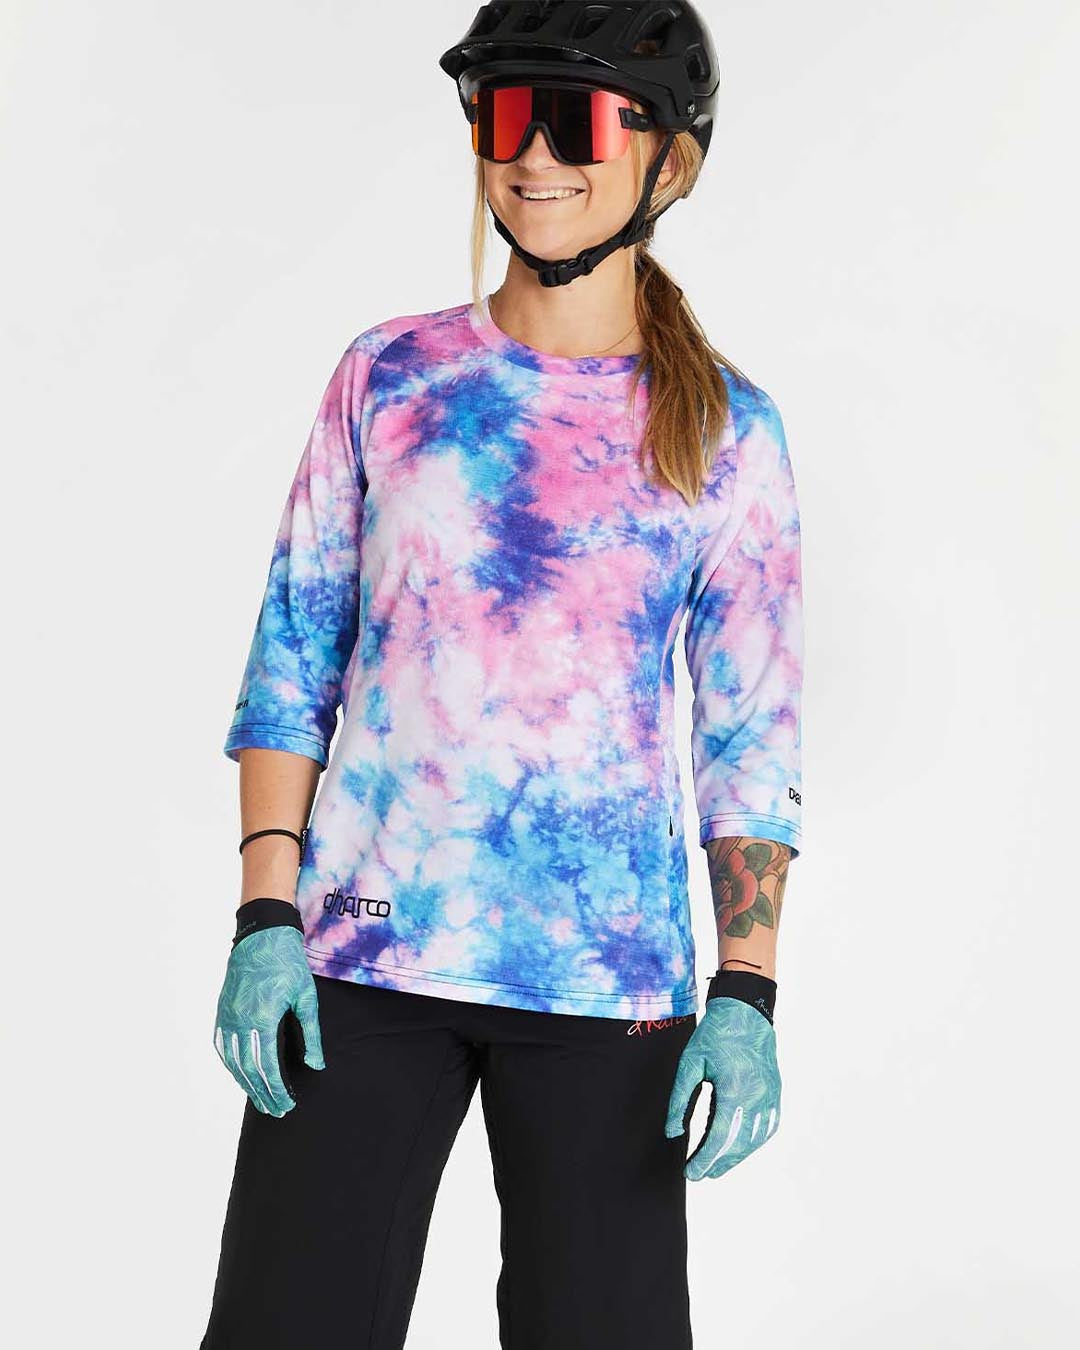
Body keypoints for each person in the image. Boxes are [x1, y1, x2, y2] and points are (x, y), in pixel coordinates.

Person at [199, 3, 803, 1347]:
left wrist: (748, 990)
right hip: (362, 955)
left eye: (577, 121)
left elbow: (750, 733)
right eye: (507, 115)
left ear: (671, 159)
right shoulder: (392, 374)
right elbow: (295, 651)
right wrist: (264, 915)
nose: (534, 154)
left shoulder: (730, 433)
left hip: (605, 982)